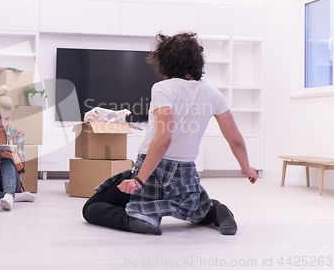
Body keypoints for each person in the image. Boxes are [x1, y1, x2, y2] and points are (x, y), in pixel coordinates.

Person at [82, 32, 258, 235]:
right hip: (186, 174)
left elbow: (164, 138)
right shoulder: (213, 93)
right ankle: (215, 210)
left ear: (165, 62)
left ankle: (137, 220)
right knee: (195, 207)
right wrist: (246, 167)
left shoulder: (163, 88)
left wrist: (138, 180)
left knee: (92, 208)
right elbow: (235, 139)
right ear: (198, 62)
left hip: (152, 169)